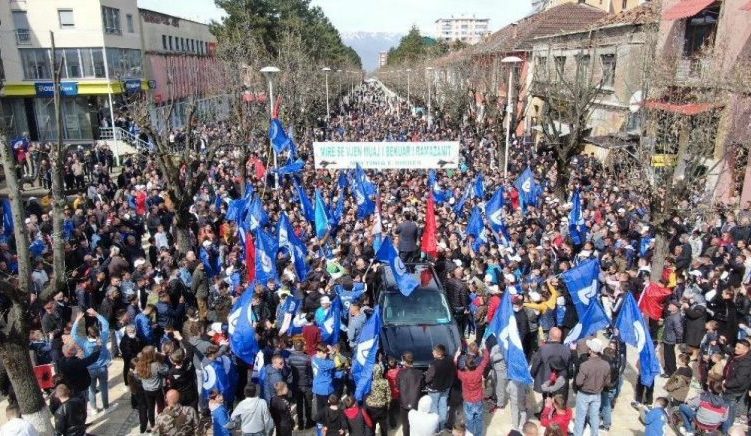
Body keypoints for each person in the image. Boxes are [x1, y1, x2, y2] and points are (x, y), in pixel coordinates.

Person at [71, 309, 112, 413]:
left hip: (90, 369)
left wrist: (77, 320)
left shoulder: (84, 343)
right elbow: (106, 324)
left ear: (88, 334)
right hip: (102, 367)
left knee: (91, 389)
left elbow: (73, 334)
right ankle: (106, 407)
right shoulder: (103, 338)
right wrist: (97, 314)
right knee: (104, 388)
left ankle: (93, 409)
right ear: (98, 332)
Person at [573, 338, 610, 436]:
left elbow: (578, 382)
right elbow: (607, 382)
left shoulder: (585, 365)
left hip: (584, 394)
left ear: (591, 351)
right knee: (594, 417)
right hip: (597, 394)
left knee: (580, 418)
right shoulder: (606, 365)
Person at [531, 327, 571, 406]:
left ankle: (545, 413)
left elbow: (536, 364)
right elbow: (569, 368)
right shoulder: (566, 350)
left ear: (550, 336)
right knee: (558, 401)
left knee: (546, 400)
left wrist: (533, 374)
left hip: (546, 380)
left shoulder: (543, 349)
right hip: (561, 381)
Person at [455, 345, 490, 436]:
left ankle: (471, 434)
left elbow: (454, 368)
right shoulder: (479, 371)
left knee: (470, 419)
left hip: (468, 400)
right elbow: (486, 360)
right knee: (479, 419)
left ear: (466, 367)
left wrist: (457, 356)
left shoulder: (463, 375)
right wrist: (484, 349)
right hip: (478, 399)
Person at [132, 346, 168, 430]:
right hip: (157, 389)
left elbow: (136, 375)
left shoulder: (139, 365)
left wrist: (142, 379)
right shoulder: (156, 365)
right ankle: (162, 422)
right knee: (160, 406)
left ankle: (152, 424)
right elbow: (165, 371)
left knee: (150, 408)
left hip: (147, 390)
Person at [721, 339, 751, 433]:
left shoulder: (746, 363)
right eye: (736, 346)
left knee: (728, 413)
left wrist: (726, 384)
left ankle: (726, 431)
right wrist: (722, 343)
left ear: (745, 350)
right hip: (729, 386)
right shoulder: (738, 354)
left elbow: (739, 380)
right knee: (728, 410)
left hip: (733, 390)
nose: (735, 349)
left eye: (738, 348)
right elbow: (728, 349)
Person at [424, 343, 456, 430]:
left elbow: (427, 379)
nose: (432, 352)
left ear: (438, 353)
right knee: (443, 405)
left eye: (434, 351)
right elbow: (453, 372)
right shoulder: (450, 359)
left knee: (434, 407)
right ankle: (442, 425)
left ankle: (436, 427)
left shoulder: (433, 365)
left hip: (434, 390)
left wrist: (426, 375)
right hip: (446, 388)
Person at [288, 339, 314, 429]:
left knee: (299, 404)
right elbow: (310, 373)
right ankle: (309, 422)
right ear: (302, 347)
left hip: (296, 385)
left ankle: (300, 423)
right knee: (308, 404)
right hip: (306, 384)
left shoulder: (290, 358)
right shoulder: (307, 358)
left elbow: (289, 372)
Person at [398, 351, 424, 436]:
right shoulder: (419, 373)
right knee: (415, 424)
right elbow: (422, 386)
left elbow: (397, 385)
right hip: (415, 402)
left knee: (405, 424)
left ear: (404, 361)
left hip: (403, 402)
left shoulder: (400, 373)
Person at [364, 364, 392, 436]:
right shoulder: (385, 382)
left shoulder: (370, 382)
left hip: (371, 407)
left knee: (372, 425)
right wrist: (388, 405)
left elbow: (366, 393)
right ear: (381, 371)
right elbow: (388, 395)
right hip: (382, 407)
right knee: (383, 425)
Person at [312, 343, 336, 415]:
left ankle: (319, 424)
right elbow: (335, 363)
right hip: (325, 388)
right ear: (318, 352)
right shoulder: (324, 363)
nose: (326, 355)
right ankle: (326, 423)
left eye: (326, 352)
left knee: (319, 406)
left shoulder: (313, 358)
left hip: (317, 386)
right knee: (327, 408)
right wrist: (332, 352)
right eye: (324, 353)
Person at [662, 301, 684, 376]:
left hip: (670, 339)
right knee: (668, 355)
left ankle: (669, 372)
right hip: (668, 338)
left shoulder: (676, 318)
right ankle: (670, 368)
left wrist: (679, 339)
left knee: (669, 356)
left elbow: (679, 330)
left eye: (671, 305)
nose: (669, 305)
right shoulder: (672, 314)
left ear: (675, 308)